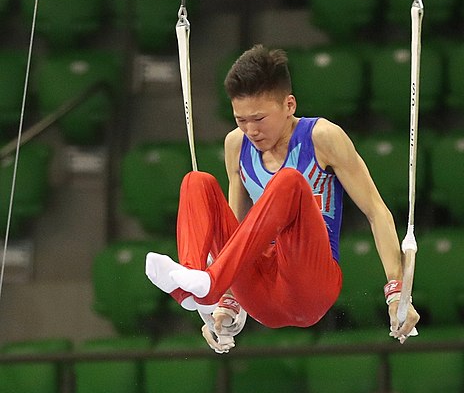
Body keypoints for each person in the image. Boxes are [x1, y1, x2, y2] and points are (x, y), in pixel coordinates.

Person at [145, 44, 420, 352]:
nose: (250, 130)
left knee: (289, 182)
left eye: (259, 118)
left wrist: (397, 292)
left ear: (289, 105)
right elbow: (235, 230)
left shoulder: (322, 138)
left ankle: (210, 285)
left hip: (311, 284)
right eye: (240, 119)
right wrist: (228, 304)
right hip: (261, 293)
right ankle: (194, 290)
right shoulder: (236, 145)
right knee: (197, 182)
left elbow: (377, 212)